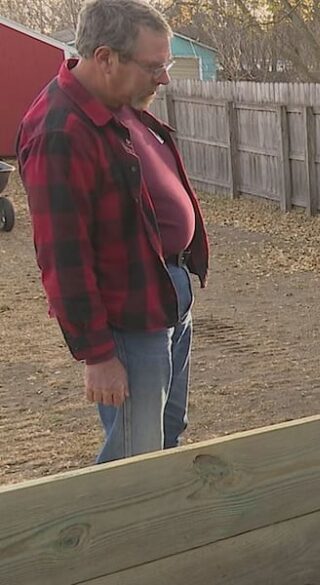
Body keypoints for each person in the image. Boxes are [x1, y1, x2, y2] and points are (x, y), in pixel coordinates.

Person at [17, 0, 209, 464]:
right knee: (134, 453)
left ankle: (159, 531)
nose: (163, 77)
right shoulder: (60, 132)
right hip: (129, 319)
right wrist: (99, 355)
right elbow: (63, 260)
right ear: (105, 58)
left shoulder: (116, 101)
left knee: (166, 431)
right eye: (154, 66)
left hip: (163, 295)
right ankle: (116, 536)